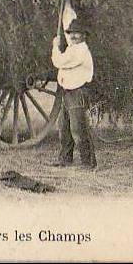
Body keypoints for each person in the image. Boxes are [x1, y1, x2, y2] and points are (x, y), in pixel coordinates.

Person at [50, 18, 97, 169]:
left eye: (77, 33)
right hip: (67, 90)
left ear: (84, 35)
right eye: (71, 33)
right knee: (64, 127)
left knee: (78, 128)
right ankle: (65, 159)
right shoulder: (73, 48)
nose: (74, 36)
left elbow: (59, 62)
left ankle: (89, 163)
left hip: (77, 91)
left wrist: (55, 47)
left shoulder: (81, 51)